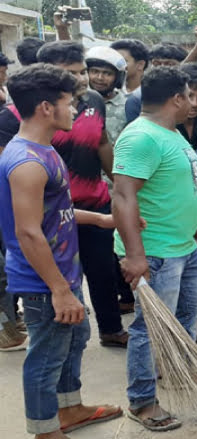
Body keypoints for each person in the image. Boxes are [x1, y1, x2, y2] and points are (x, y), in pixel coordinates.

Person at [0, 64, 123, 439]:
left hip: (62, 272)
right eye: (69, 103)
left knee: (74, 338)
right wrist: (59, 290)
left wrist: (101, 220)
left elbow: (58, 211)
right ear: (45, 107)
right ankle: (44, 434)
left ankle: (69, 408)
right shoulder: (27, 162)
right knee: (47, 354)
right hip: (43, 281)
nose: (75, 110)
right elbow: (29, 232)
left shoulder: (46, 149)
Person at [0, 41, 128, 348]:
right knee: (49, 316)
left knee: (99, 276)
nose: (82, 79)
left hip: (85, 207)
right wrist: (58, 290)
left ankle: (109, 328)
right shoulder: (19, 134)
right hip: (45, 223)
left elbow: (102, 143)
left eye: (82, 71)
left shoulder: (91, 103)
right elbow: (26, 224)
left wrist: (115, 199)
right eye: (71, 74)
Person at [114, 67, 197, 431]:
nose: (195, 103)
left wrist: (195, 208)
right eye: (190, 96)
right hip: (156, 252)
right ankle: (142, 402)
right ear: (177, 99)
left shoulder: (169, 130)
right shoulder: (141, 137)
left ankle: (175, 369)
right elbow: (123, 196)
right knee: (150, 328)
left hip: (183, 245)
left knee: (191, 310)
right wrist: (135, 256)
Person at [85, 46, 129, 143]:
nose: (100, 78)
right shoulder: (76, 101)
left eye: (107, 73)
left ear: (118, 78)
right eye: (95, 71)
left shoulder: (127, 107)